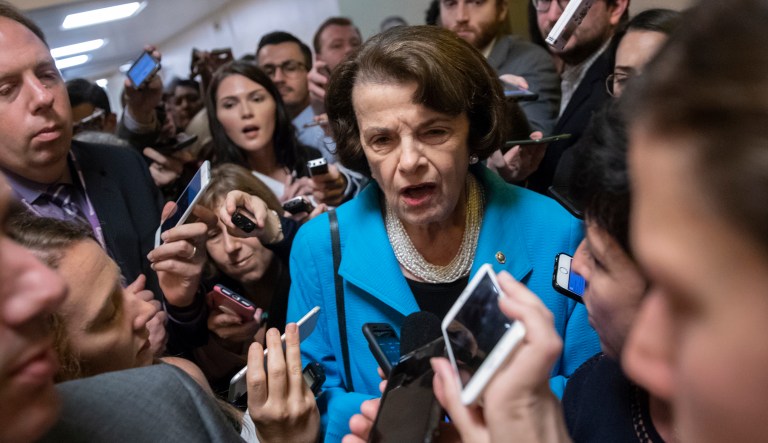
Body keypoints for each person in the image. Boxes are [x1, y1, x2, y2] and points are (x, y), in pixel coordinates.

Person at [287, 25, 598, 442]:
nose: (410, 160)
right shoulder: (319, 248)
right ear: (360, 147)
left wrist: (460, 418)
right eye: (382, 139)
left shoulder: (558, 233)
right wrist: (394, 424)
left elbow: (594, 388)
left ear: (472, 130)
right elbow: (310, 404)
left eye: (434, 132)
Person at [525, 0, 629, 192]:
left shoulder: (616, 88)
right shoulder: (559, 75)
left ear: (615, 8)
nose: (553, 16)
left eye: (568, 1)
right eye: (544, 1)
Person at [256, 31, 368, 206]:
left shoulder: (329, 119)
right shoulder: (261, 138)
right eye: (268, 71)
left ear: (310, 71)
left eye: (290, 67)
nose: (278, 78)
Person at [206, 60, 322, 206]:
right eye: (230, 105)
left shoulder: (310, 158)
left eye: (257, 99)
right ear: (216, 118)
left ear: (276, 104)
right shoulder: (222, 190)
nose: (246, 112)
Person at [439, 0, 560, 133]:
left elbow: (535, 139)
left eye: (476, 2)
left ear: (501, 10)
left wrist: (503, 101)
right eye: (451, 3)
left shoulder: (532, 60)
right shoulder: (435, 66)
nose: (461, 17)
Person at [306, 17, 362, 116]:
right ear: (319, 59)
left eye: (355, 43)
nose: (349, 49)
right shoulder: (314, 104)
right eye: (337, 45)